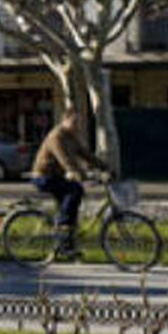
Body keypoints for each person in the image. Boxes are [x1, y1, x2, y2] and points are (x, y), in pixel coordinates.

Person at [30, 109, 109, 257]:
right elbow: (65, 159)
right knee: (74, 191)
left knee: (74, 196)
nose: (76, 126)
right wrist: (78, 173)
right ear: (64, 120)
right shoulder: (56, 136)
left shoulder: (71, 137)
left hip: (56, 176)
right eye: (73, 122)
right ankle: (63, 228)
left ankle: (67, 241)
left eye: (78, 123)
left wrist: (104, 167)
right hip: (43, 177)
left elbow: (85, 154)